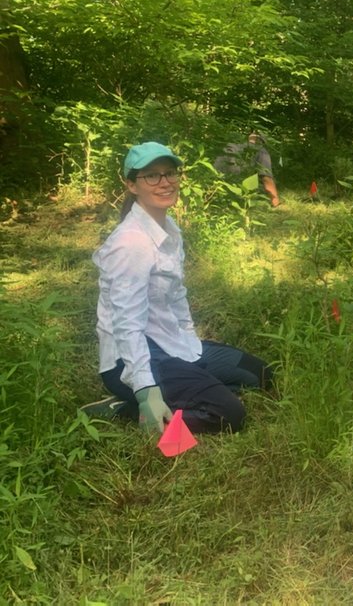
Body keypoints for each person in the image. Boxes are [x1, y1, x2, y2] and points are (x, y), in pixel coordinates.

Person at [85, 141, 274, 434]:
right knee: (229, 413)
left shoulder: (169, 228)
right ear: (132, 185)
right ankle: (129, 408)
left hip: (171, 343)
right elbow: (126, 323)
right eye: (152, 176)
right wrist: (145, 388)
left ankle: (185, 386)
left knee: (261, 375)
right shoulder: (131, 243)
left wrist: (191, 344)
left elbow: (176, 297)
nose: (165, 182)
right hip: (130, 358)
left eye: (170, 173)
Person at [214, 132, 281, 207]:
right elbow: (266, 177)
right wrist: (275, 199)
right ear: (261, 141)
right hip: (241, 194)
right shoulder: (261, 151)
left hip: (219, 190)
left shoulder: (229, 147)